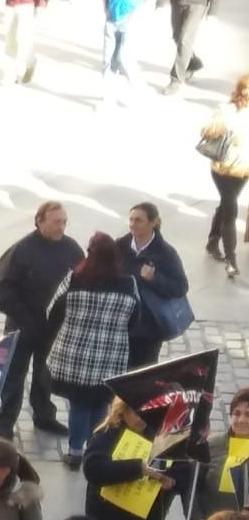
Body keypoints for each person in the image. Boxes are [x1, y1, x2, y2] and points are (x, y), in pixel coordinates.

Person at [45, 232, 142, 467]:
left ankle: (75, 451)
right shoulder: (128, 284)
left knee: (79, 404)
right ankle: (93, 446)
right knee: (100, 403)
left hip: (74, 355)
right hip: (110, 356)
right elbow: (136, 320)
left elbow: (52, 312)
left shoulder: (75, 279)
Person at [0, 202, 83, 439]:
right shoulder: (21, 251)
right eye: (56, 222)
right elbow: (2, 291)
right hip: (23, 326)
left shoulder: (72, 249)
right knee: (14, 375)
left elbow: (82, 282)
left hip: (54, 328)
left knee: (45, 373)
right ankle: (6, 422)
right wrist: (25, 317)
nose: (61, 227)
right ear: (39, 221)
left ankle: (44, 415)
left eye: (64, 222)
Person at [117, 203, 189, 369]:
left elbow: (180, 286)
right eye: (131, 219)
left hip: (148, 329)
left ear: (153, 222)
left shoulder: (166, 253)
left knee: (142, 375)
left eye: (139, 220)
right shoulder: (119, 246)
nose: (133, 224)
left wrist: (154, 278)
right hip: (121, 323)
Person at [95, 0, 159, 106]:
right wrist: (105, 8)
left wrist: (143, 10)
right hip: (112, 18)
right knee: (108, 60)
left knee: (125, 57)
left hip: (133, 20)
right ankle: (108, 97)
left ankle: (136, 90)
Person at [201, 76, 249, 281]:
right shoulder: (227, 111)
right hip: (224, 170)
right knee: (231, 209)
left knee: (225, 205)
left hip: (243, 171)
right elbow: (206, 130)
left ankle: (212, 242)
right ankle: (231, 259)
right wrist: (221, 126)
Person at [157, 0, 217, 95]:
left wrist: (213, 11)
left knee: (184, 39)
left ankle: (175, 80)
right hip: (178, 0)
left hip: (198, 3)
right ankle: (192, 62)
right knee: (178, 37)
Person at [191, 387, 249, 520]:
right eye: (236, 413)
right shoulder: (212, 445)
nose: (242, 420)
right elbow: (191, 487)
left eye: (248, 414)